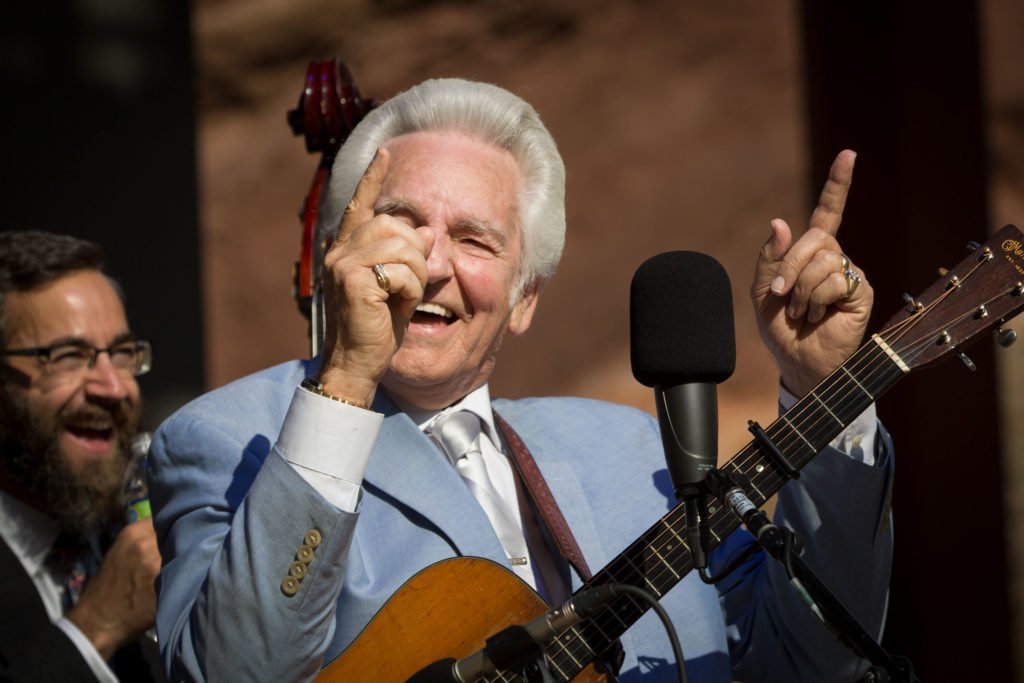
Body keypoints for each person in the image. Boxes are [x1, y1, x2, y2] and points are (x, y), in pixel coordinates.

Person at [149, 79, 893, 682]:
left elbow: (812, 661)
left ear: (524, 298)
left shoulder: (633, 450)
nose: (433, 264)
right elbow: (231, 671)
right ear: (341, 243)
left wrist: (826, 393)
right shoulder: (225, 436)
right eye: (403, 222)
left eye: (474, 239)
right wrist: (346, 376)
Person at [0, 230, 163, 682]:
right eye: (69, 356)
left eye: (122, 353)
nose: (113, 388)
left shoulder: (141, 535)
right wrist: (95, 628)